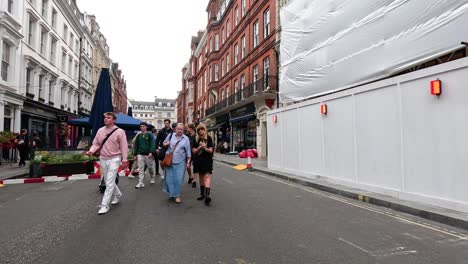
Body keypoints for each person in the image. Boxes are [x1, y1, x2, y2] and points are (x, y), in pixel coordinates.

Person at [86, 112, 128, 215]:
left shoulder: (120, 132)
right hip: (103, 158)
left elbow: (124, 146)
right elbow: (96, 143)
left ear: (114, 120)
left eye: (108, 118)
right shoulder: (100, 131)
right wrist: (91, 151)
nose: (105, 119)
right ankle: (117, 194)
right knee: (106, 179)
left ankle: (104, 205)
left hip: (115, 158)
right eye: (105, 117)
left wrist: (124, 160)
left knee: (109, 181)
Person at [162, 123, 191, 204]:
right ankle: (172, 194)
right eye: (178, 129)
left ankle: (177, 195)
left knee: (178, 179)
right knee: (169, 179)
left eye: (181, 129)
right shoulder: (170, 136)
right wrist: (166, 144)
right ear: (175, 129)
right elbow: (163, 143)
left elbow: (188, 152)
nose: (180, 131)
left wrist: (188, 162)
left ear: (183, 130)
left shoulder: (186, 139)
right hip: (170, 161)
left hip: (181, 162)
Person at [192, 124, 214, 205]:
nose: (201, 131)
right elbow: (194, 151)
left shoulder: (209, 138)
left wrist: (205, 148)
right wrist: (200, 147)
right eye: (199, 129)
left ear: (205, 130)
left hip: (207, 160)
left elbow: (211, 150)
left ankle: (207, 195)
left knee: (207, 176)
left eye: (202, 129)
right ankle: (202, 194)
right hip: (199, 160)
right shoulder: (195, 139)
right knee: (201, 177)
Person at [133, 122, 156, 188]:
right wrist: (135, 155)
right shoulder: (139, 136)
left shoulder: (149, 135)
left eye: (143, 126)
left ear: (146, 127)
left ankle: (152, 177)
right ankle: (140, 182)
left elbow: (152, 144)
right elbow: (136, 145)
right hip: (140, 154)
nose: (142, 127)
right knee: (140, 169)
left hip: (148, 154)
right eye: (141, 126)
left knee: (150, 168)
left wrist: (151, 152)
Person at [186, 123, 197, 188]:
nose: (186, 129)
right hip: (188, 153)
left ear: (190, 128)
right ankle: (190, 176)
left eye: (187, 128)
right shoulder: (186, 135)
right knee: (187, 166)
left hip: (195, 153)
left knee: (195, 167)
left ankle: (194, 181)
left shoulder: (196, 135)